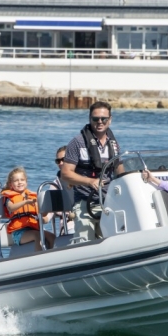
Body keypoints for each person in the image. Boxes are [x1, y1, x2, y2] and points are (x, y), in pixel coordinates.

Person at [60, 101, 120, 242]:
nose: (100, 122)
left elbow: (120, 169)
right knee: (85, 239)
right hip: (84, 202)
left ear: (109, 120)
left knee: (113, 240)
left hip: (108, 202)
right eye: (95, 119)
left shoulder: (114, 143)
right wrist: (90, 181)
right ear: (90, 119)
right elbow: (66, 173)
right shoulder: (77, 143)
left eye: (103, 119)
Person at [1, 167, 54, 251]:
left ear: (26, 182)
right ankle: (38, 259)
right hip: (19, 233)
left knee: (52, 237)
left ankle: (51, 257)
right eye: (16, 180)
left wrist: (47, 206)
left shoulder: (32, 197)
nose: (19, 182)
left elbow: (42, 214)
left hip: (33, 228)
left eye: (22, 180)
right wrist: (25, 202)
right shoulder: (9, 198)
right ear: (11, 184)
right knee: (37, 236)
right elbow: (10, 207)